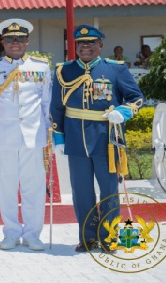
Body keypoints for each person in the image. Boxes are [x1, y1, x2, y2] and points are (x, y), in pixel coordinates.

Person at [50, 24, 144, 253]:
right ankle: (88, 238)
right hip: (75, 138)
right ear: (75, 46)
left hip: (106, 139)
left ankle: (110, 237)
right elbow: (56, 106)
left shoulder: (116, 69)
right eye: (81, 43)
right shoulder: (63, 71)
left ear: (100, 45)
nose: (86, 47)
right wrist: (59, 137)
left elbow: (136, 98)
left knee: (109, 191)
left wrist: (122, 112)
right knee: (81, 192)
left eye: (91, 43)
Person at [0, 19, 51, 251]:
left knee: (34, 187)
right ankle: (10, 232)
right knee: (6, 186)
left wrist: (49, 137)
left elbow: (47, 104)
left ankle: (32, 234)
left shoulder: (42, 67)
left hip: (33, 137)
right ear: (3, 42)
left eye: (20, 39)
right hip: (2, 138)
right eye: (10, 39)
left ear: (27, 41)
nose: (15, 43)